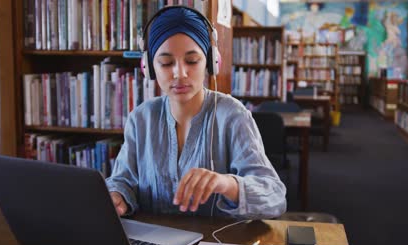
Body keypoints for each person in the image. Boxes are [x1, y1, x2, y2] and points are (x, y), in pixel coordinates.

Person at [105, 6, 286, 219]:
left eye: (192, 61)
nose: (179, 73)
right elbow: (122, 180)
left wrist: (227, 184)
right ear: (149, 67)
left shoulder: (232, 115)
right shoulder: (141, 118)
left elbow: (274, 197)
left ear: (211, 62)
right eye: (166, 63)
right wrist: (118, 196)